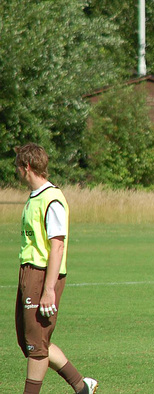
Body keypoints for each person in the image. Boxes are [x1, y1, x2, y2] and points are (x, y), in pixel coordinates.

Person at [14, 143, 98, 394]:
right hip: (29, 273)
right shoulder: (35, 196)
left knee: (37, 346)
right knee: (30, 342)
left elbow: (57, 246)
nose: (16, 172)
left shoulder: (52, 198)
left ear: (26, 166)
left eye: (17, 166)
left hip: (42, 275)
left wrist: (49, 289)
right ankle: (82, 386)